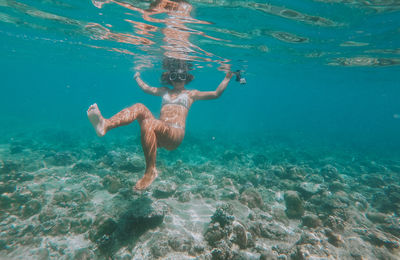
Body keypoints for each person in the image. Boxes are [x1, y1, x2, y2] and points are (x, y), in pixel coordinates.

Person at [87, 58, 233, 190]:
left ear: (187, 78)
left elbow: (215, 94)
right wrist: (137, 76)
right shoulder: (164, 91)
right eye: (174, 77)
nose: (178, 80)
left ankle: (151, 170)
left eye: (182, 76)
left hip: (175, 135)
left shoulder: (191, 94)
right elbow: (145, 88)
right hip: (160, 132)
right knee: (139, 107)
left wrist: (227, 77)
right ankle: (105, 124)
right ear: (170, 78)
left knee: (149, 123)